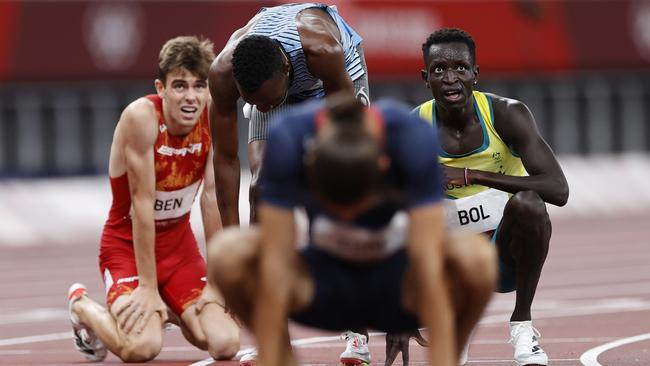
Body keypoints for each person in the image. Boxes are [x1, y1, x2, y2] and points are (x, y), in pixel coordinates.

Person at [205, 93, 498, 366]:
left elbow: (428, 264)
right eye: (336, 207)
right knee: (228, 253)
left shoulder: (412, 139)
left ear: (383, 166)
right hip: (321, 285)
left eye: (357, 207)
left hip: (397, 287)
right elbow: (276, 263)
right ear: (312, 173)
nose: (347, 218)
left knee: (477, 258)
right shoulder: (288, 139)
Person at [66, 36, 240, 363]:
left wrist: (217, 282)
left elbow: (212, 197)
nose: (191, 97)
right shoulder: (142, 118)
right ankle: (81, 306)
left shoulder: (212, 116)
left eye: (199, 86)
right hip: (126, 248)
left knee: (223, 343)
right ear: (160, 88)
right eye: (179, 86)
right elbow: (142, 204)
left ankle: (171, 307)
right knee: (143, 348)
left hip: (179, 248)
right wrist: (147, 286)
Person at [413, 28, 569, 366]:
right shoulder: (415, 128)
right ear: (426, 78)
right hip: (451, 259)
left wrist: (473, 175)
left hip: (503, 253)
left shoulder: (506, 114)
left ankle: (522, 326)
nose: (451, 78)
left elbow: (558, 189)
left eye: (460, 68)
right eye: (439, 70)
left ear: (475, 74)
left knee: (530, 203)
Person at [208, 2, 370, 225]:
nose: (264, 109)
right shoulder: (222, 74)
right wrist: (232, 239)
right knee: (261, 186)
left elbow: (342, 135)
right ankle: (260, 255)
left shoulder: (324, 51)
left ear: (286, 69)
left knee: (342, 172)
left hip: (334, 75)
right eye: (255, 103)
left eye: (268, 102)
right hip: (280, 80)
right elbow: (225, 159)